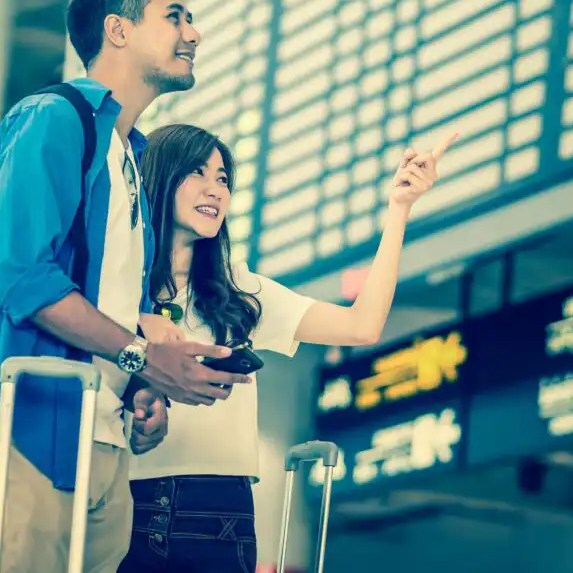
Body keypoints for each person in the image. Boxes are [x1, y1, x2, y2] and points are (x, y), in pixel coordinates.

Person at [0, 0, 252, 573]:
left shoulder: (130, 155)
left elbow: (105, 302)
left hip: (105, 443)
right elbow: (20, 276)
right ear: (118, 28)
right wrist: (145, 358)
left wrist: (142, 386)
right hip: (27, 427)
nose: (194, 32)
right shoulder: (54, 120)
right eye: (175, 16)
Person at [118, 123, 457, 572]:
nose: (215, 190)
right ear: (159, 178)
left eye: (223, 179)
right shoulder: (114, 286)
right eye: (198, 173)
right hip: (121, 502)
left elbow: (362, 325)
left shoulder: (240, 290)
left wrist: (399, 211)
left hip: (217, 512)